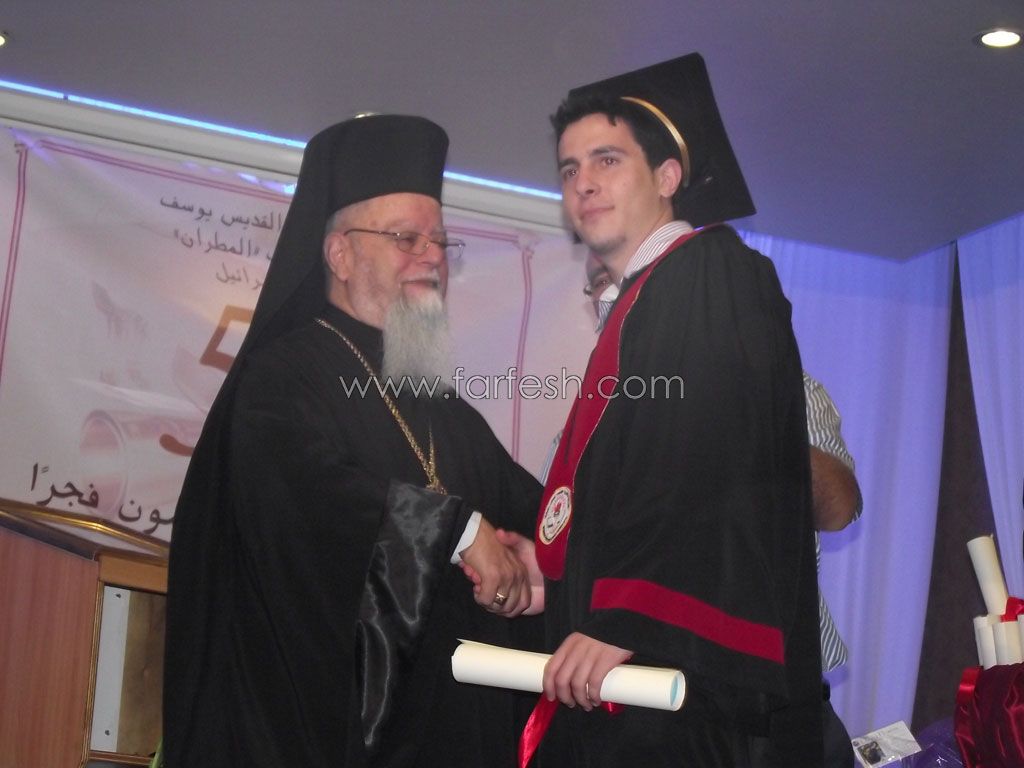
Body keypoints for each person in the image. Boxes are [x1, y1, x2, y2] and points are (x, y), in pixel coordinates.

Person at [162, 114, 542, 768]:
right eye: (406, 238)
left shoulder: (447, 413)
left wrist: (543, 564)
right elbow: (311, 505)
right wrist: (456, 530)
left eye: (439, 241)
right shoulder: (281, 378)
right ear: (340, 254)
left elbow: (531, 512)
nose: (431, 256)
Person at [529, 53, 823, 767]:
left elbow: (705, 453)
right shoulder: (643, 301)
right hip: (635, 690)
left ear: (667, 178)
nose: (582, 183)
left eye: (607, 160)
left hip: (684, 700)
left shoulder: (708, 268)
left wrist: (628, 610)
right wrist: (546, 563)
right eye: (569, 169)